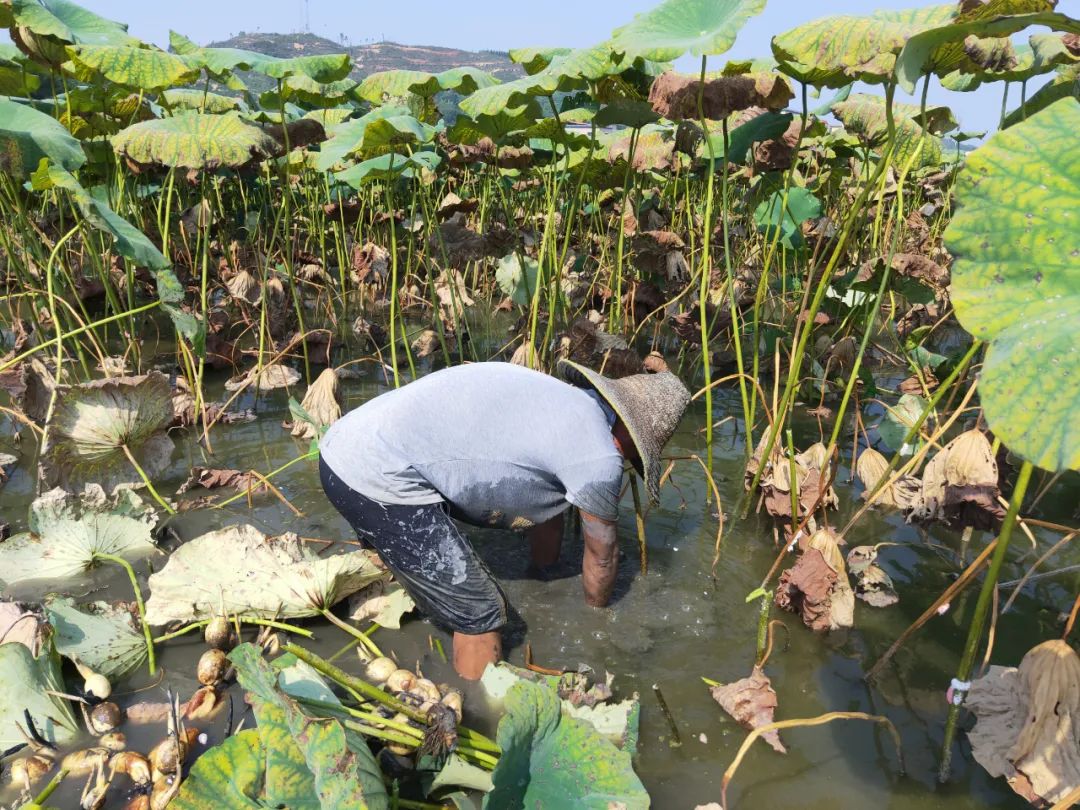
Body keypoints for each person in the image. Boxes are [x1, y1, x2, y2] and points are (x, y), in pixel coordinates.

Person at [318, 360, 690, 679]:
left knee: (412, 567)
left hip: (344, 446)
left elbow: (550, 510)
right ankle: (476, 709)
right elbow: (603, 555)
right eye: (633, 455)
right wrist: (596, 618)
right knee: (481, 612)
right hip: (373, 476)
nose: (625, 464)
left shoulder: (562, 402)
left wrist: (546, 571)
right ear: (628, 434)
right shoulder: (598, 457)